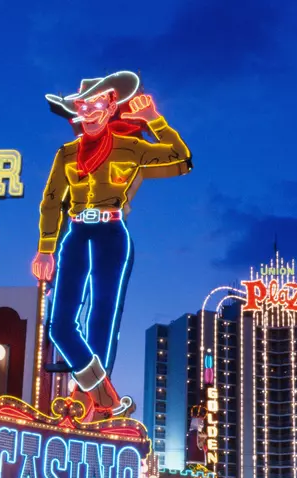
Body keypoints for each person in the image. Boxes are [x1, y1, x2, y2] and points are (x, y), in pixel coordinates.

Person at [33, 71, 192, 421]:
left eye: (97, 103)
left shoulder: (131, 146)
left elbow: (181, 160)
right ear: (78, 108)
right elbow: (51, 200)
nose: (89, 109)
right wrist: (45, 248)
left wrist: (154, 120)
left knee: (103, 317)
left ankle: (89, 400)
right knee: (60, 324)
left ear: (110, 108)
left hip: (111, 232)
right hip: (74, 234)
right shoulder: (67, 153)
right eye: (84, 103)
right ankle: (102, 393)